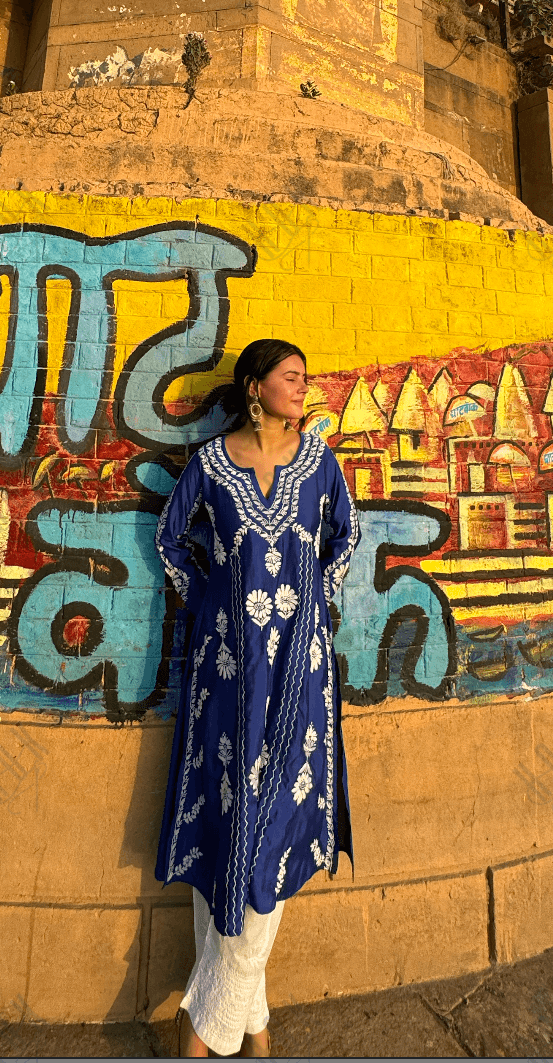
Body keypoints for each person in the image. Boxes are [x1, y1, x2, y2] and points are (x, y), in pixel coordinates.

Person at [154, 339, 360, 1058]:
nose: (302, 386)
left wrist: (313, 601)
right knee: (226, 818)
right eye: (290, 376)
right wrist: (211, 599)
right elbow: (169, 540)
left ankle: (199, 1032)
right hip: (226, 675)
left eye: (305, 377)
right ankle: (254, 1028)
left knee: (274, 823)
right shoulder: (211, 465)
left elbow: (348, 533)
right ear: (253, 386)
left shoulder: (320, 461)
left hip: (300, 672)